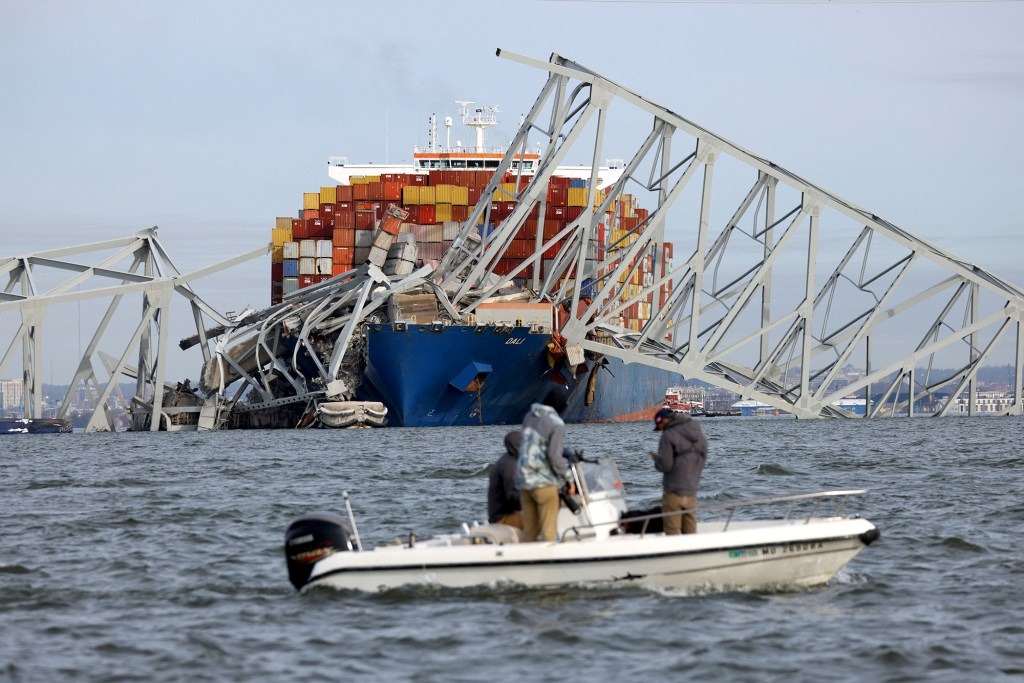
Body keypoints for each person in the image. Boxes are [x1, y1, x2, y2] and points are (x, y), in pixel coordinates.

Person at [516, 387, 575, 542]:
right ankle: (552, 564)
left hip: (523, 482)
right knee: (549, 532)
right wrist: (569, 479)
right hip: (543, 483)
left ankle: (528, 563)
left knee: (529, 532)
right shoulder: (557, 423)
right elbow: (554, 457)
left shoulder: (528, 417)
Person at [652, 407, 708, 535]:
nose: (660, 429)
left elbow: (665, 466)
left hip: (673, 492)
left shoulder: (668, 435)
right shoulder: (699, 434)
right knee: (690, 532)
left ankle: (676, 554)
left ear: (665, 420)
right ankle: (693, 554)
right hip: (691, 491)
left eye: (659, 425)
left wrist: (657, 460)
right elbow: (701, 459)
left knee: (672, 532)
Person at [487, 430, 523, 528]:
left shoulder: (508, 460)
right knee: (538, 518)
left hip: (503, 514)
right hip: (503, 518)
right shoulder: (510, 465)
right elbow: (512, 496)